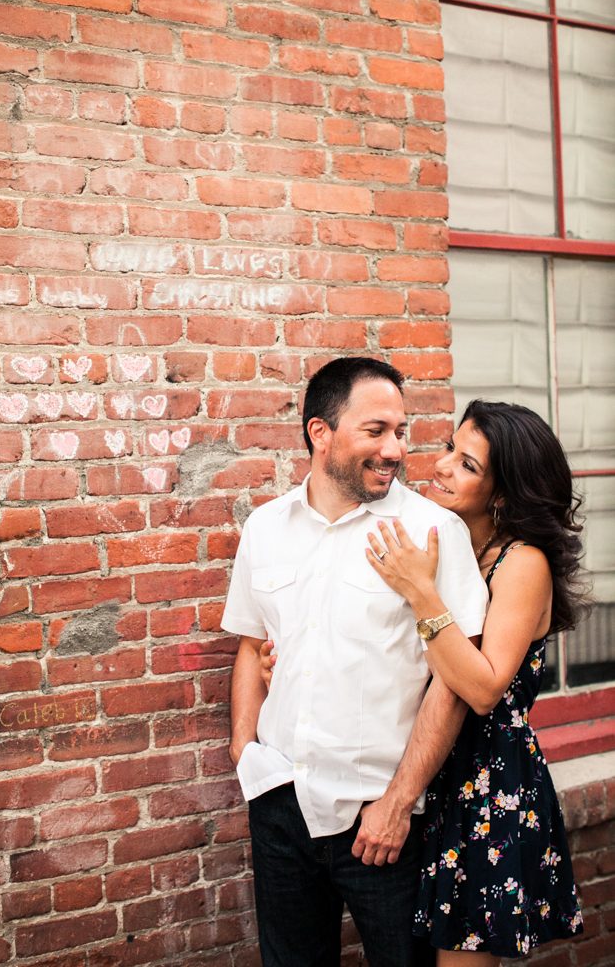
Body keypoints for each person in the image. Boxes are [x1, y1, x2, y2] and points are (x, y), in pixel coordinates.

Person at [263, 399, 587, 964]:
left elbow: (482, 688)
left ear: (504, 494)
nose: (440, 466)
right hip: (431, 778)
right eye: (448, 449)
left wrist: (420, 591)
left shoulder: (521, 562)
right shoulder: (456, 544)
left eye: (467, 465)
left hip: (485, 786)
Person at [223, 356, 489, 967]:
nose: (395, 449)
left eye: (400, 431)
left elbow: (452, 683)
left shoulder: (432, 531)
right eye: (376, 431)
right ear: (322, 433)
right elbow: (248, 642)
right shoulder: (266, 527)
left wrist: (399, 803)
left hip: (385, 824)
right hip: (281, 806)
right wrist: (246, 750)